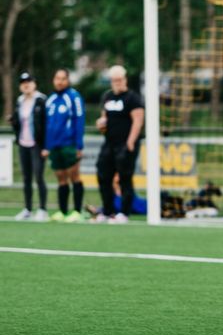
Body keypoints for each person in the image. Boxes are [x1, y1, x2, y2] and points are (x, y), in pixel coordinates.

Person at [95, 65, 144, 224]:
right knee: (103, 174)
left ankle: (124, 212)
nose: (117, 82)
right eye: (114, 80)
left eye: (120, 79)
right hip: (109, 142)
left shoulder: (132, 98)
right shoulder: (107, 97)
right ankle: (108, 211)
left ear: (125, 79)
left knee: (124, 178)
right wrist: (101, 124)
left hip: (125, 143)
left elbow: (138, 120)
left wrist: (131, 142)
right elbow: (104, 119)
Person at [43, 68, 85, 223]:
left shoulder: (73, 97)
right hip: (54, 146)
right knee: (61, 178)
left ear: (68, 80)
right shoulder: (51, 99)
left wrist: (79, 146)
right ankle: (62, 211)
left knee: (74, 176)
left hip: (70, 144)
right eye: (57, 78)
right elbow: (47, 125)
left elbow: (79, 121)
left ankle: (77, 211)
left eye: (62, 78)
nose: (59, 81)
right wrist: (47, 146)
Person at [10, 72, 48, 221]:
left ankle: (43, 209)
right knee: (26, 178)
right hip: (23, 143)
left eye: (29, 81)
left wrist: (46, 146)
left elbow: (46, 125)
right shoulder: (20, 101)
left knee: (38, 176)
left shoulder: (41, 100)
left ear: (34, 83)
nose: (26, 84)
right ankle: (27, 208)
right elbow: (19, 121)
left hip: (37, 144)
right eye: (23, 82)